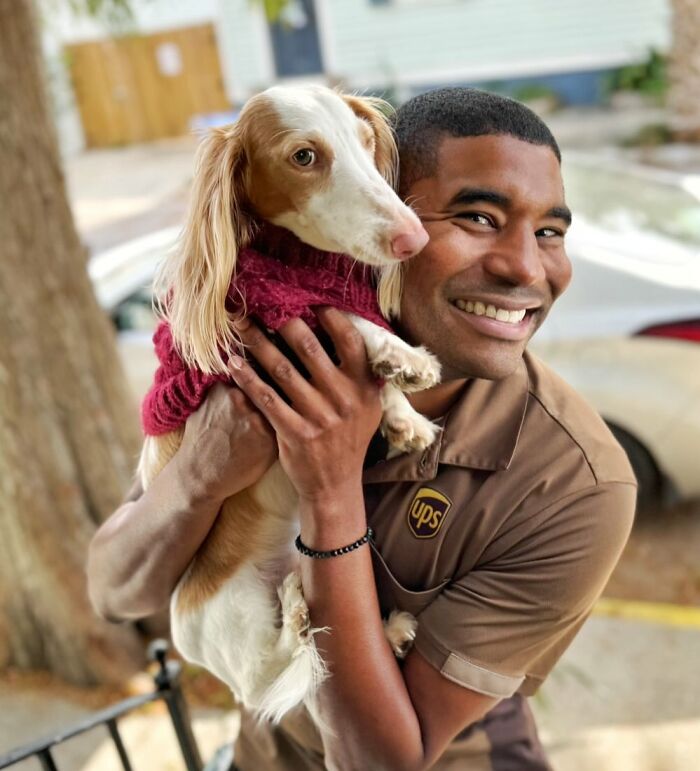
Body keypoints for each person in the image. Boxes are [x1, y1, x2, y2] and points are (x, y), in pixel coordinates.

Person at [87, 88, 637, 770]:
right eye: (477, 216)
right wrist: (199, 474)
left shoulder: (575, 483)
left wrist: (331, 492)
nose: (527, 267)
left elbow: (379, 761)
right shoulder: (251, 357)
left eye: (550, 231)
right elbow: (118, 591)